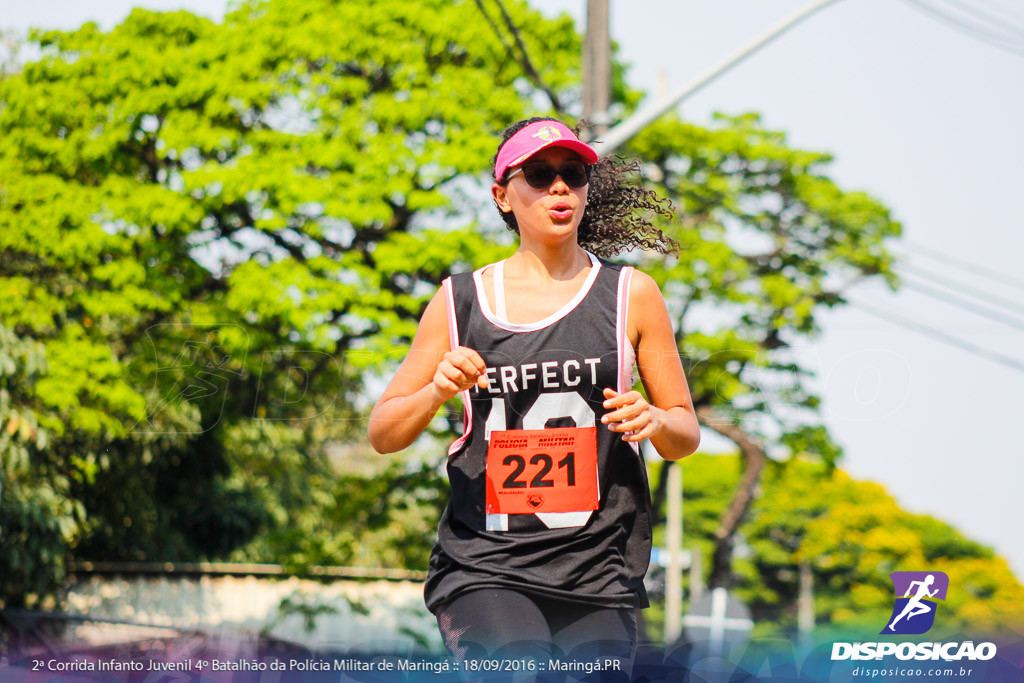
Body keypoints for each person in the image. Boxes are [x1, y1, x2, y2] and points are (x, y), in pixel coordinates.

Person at [368, 118, 701, 669]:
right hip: (486, 564)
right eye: (540, 175)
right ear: (503, 195)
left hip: (597, 568)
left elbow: (684, 435)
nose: (560, 189)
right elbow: (383, 432)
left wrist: (655, 420)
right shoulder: (461, 301)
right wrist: (435, 391)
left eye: (573, 174)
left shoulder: (631, 295)